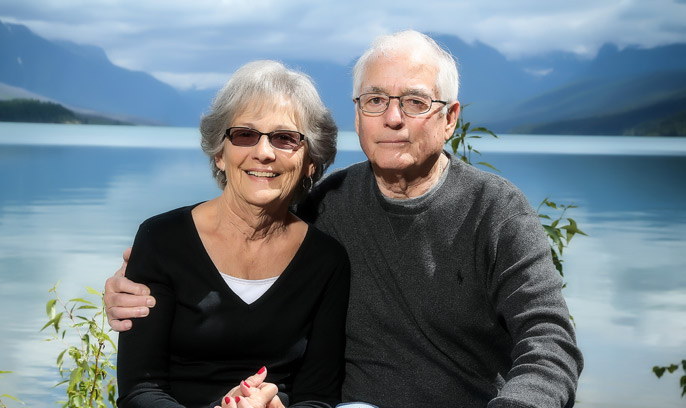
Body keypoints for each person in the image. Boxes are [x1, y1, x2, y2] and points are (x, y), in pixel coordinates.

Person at [107, 31, 583, 407]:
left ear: (450, 118)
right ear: (358, 116)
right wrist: (130, 284)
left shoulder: (495, 210)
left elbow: (549, 341)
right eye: (375, 100)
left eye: (415, 102)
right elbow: (242, 221)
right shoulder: (328, 204)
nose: (392, 118)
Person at [115, 59, 350, 408]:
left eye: (285, 138)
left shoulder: (326, 260)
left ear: (310, 163)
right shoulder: (160, 239)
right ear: (220, 153)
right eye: (245, 134)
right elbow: (139, 391)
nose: (263, 153)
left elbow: (318, 396)